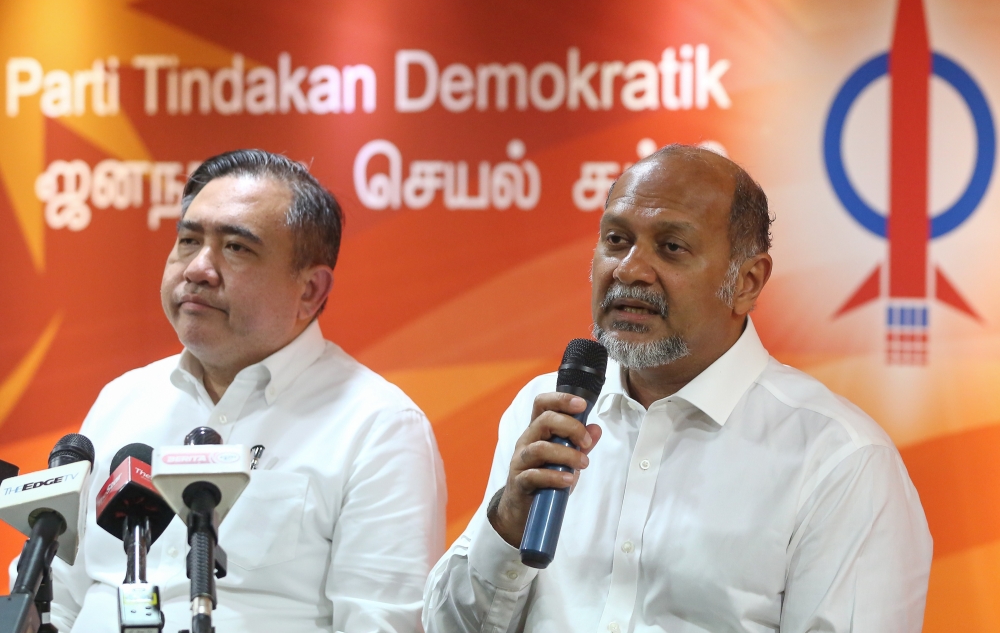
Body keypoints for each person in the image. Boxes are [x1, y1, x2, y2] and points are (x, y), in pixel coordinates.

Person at [423, 144, 932, 633]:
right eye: (616, 240)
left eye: (671, 247)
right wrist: (507, 523)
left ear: (747, 282)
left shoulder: (838, 459)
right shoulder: (548, 414)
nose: (629, 270)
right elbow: (446, 627)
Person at [37, 150, 446, 633]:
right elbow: (57, 602)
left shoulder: (378, 426)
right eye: (188, 241)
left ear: (311, 290)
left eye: (236, 248)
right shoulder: (123, 400)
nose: (198, 269)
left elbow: (380, 625)